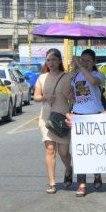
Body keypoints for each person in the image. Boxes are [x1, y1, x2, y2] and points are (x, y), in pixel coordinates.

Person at [34, 48, 74, 195]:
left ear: (59, 61)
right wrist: (45, 97)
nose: (51, 62)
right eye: (48, 60)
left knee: (63, 152)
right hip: (46, 118)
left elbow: (74, 97)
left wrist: (70, 95)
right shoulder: (41, 78)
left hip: (63, 117)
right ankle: (51, 182)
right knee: (50, 150)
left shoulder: (68, 77)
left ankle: (68, 169)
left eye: (54, 59)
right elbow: (36, 97)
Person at [69, 49, 105, 197]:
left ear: (94, 62)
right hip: (78, 115)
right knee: (80, 151)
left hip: (94, 115)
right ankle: (82, 183)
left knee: (95, 148)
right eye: (82, 59)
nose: (84, 62)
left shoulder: (98, 75)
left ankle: (97, 173)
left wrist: (81, 67)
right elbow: (71, 94)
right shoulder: (76, 75)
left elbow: (92, 82)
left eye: (88, 60)